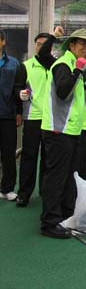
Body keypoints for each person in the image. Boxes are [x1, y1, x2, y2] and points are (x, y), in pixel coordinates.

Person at [40, 28, 86, 238]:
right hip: (59, 129)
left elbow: (81, 93)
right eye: (82, 43)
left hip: (71, 129)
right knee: (56, 177)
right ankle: (49, 222)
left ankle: (65, 215)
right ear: (71, 45)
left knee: (67, 176)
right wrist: (78, 72)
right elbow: (63, 92)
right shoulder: (64, 65)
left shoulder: (77, 67)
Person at [14, 33, 55, 206]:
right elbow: (17, 88)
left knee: (49, 157)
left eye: (44, 44)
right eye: (38, 44)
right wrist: (20, 95)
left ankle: (46, 192)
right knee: (29, 156)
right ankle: (24, 193)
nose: (41, 47)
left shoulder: (57, 65)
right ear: (35, 45)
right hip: (32, 117)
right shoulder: (26, 66)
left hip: (53, 118)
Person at [0, 29, 22, 201]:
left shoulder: (14, 64)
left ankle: (7, 188)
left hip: (7, 114)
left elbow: (18, 89)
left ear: (3, 42)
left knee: (8, 153)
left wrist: (19, 112)